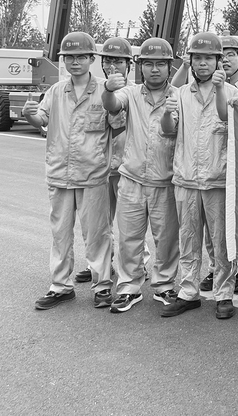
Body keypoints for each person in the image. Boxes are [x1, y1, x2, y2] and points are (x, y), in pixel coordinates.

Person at [24, 32, 114, 310]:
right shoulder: (55, 91)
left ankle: (102, 286)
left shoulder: (105, 91)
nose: (75, 62)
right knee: (60, 234)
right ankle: (61, 286)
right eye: (69, 57)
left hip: (93, 175)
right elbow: (41, 119)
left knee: (97, 234)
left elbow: (119, 125)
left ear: (91, 59)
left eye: (81, 57)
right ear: (63, 61)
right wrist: (29, 113)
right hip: (60, 174)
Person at [159, 32, 238, 320]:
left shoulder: (232, 94)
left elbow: (230, 123)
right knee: (188, 239)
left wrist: (219, 89)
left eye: (208, 58)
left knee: (222, 242)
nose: (202, 63)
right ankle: (188, 292)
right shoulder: (180, 94)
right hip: (186, 179)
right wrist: (167, 113)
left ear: (219, 61)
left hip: (219, 180)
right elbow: (168, 130)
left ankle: (224, 293)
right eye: (197, 58)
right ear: (190, 61)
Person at [101, 37, 180, 313]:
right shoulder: (131, 93)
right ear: (140, 66)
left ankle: (164, 285)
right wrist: (108, 89)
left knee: (166, 239)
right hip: (132, 179)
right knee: (129, 239)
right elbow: (112, 104)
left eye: (160, 64)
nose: (154, 69)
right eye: (148, 64)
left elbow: (171, 130)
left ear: (169, 67)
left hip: (165, 181)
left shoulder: (179, 96)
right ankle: (129, 288)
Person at [198, 35, 238, 296]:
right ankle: (215, 267)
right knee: (213, 226)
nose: (225, 60)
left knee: (236, 222)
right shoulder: (201, 87)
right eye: (220, 56)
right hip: (211, 165)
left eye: (231, 54)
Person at [74, 36, 135, 284]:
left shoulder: (136, 93)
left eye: (118, 61)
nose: (112, 66)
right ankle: (99, 264)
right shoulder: (95, 91)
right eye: (108, 60)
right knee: (98, 223)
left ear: (129, 64)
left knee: (131, 223)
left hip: (129, 169)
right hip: (101, 168)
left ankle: (137, 264)